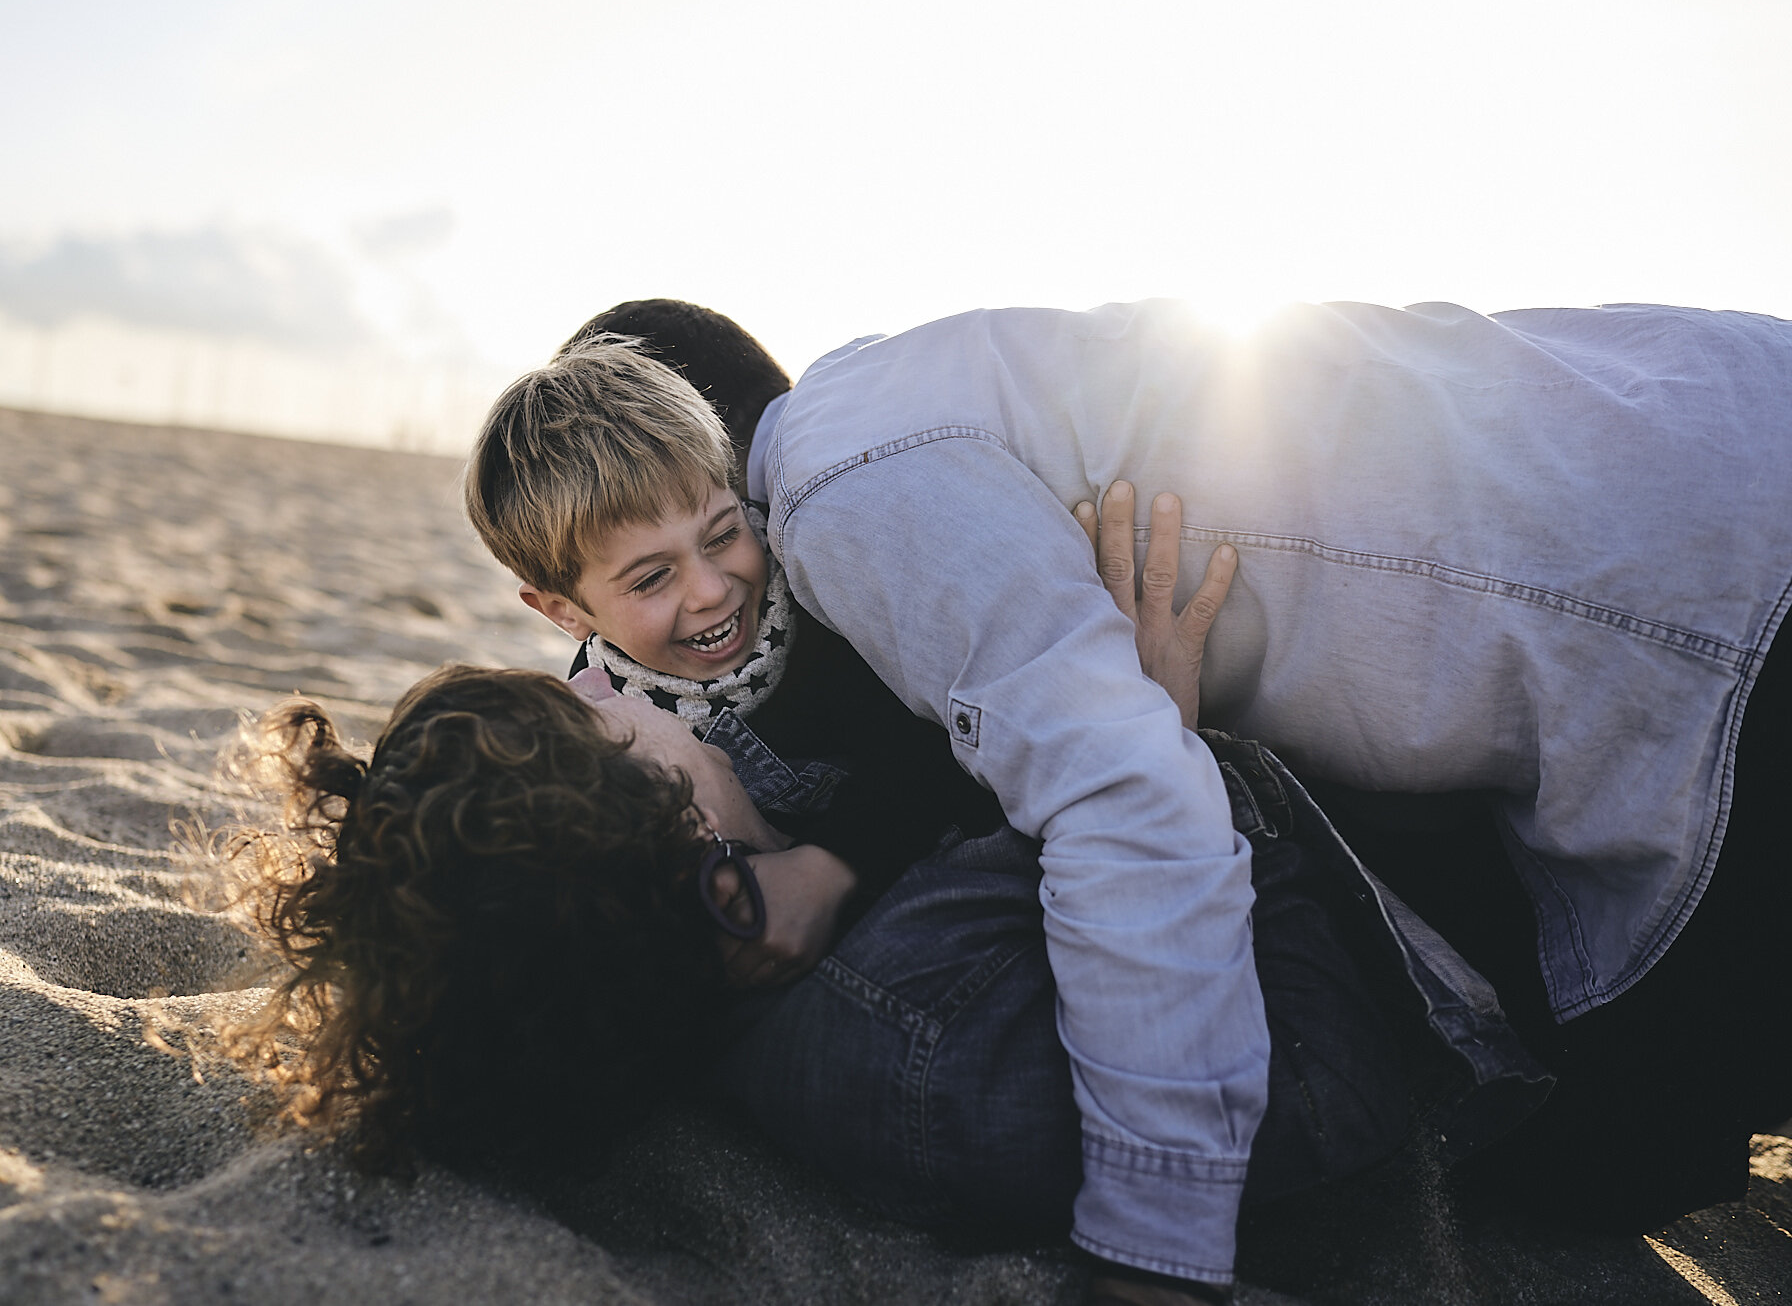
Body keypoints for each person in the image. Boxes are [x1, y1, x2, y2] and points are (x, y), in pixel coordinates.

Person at [711, 296, 1792, 1284]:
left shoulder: (826, 478)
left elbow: (1118, 799)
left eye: (681, 550)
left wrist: (1152, 1245)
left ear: (707, 466)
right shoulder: (922, 384)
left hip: (1708, 604)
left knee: (1607, 1150)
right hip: (1698, 401)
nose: (702, 609)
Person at [457, 330, 1543, 1303]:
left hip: (968, 861)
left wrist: (846, 856)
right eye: (650, 577)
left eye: (724, 533)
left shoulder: (824, 600)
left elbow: (943, 759)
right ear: (561, 609)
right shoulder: (605, 720)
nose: (710, 591)